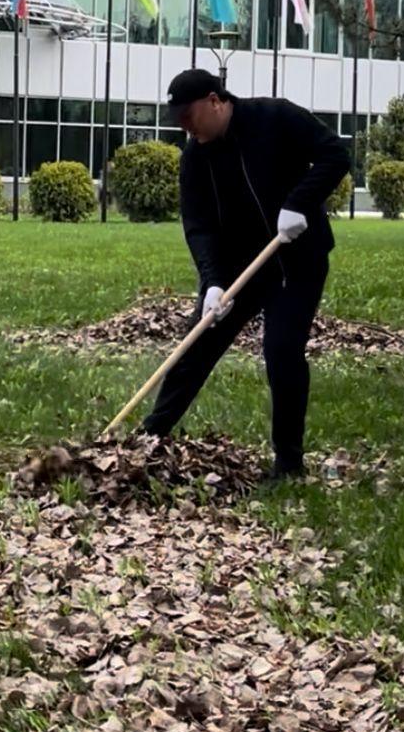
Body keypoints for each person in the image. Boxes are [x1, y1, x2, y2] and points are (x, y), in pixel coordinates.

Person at [141, 69, 351, 481]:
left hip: (295, 261)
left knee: (282, 352)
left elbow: (335, 155)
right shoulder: (195, 158)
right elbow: (199, 226)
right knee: (196, 345)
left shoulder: (275, 117)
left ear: (215, 101)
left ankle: (288, 463)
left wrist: (299, 203)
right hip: (239, 270)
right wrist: (213, 282)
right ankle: (148, 438)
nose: (185, 128)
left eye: (188, 117)